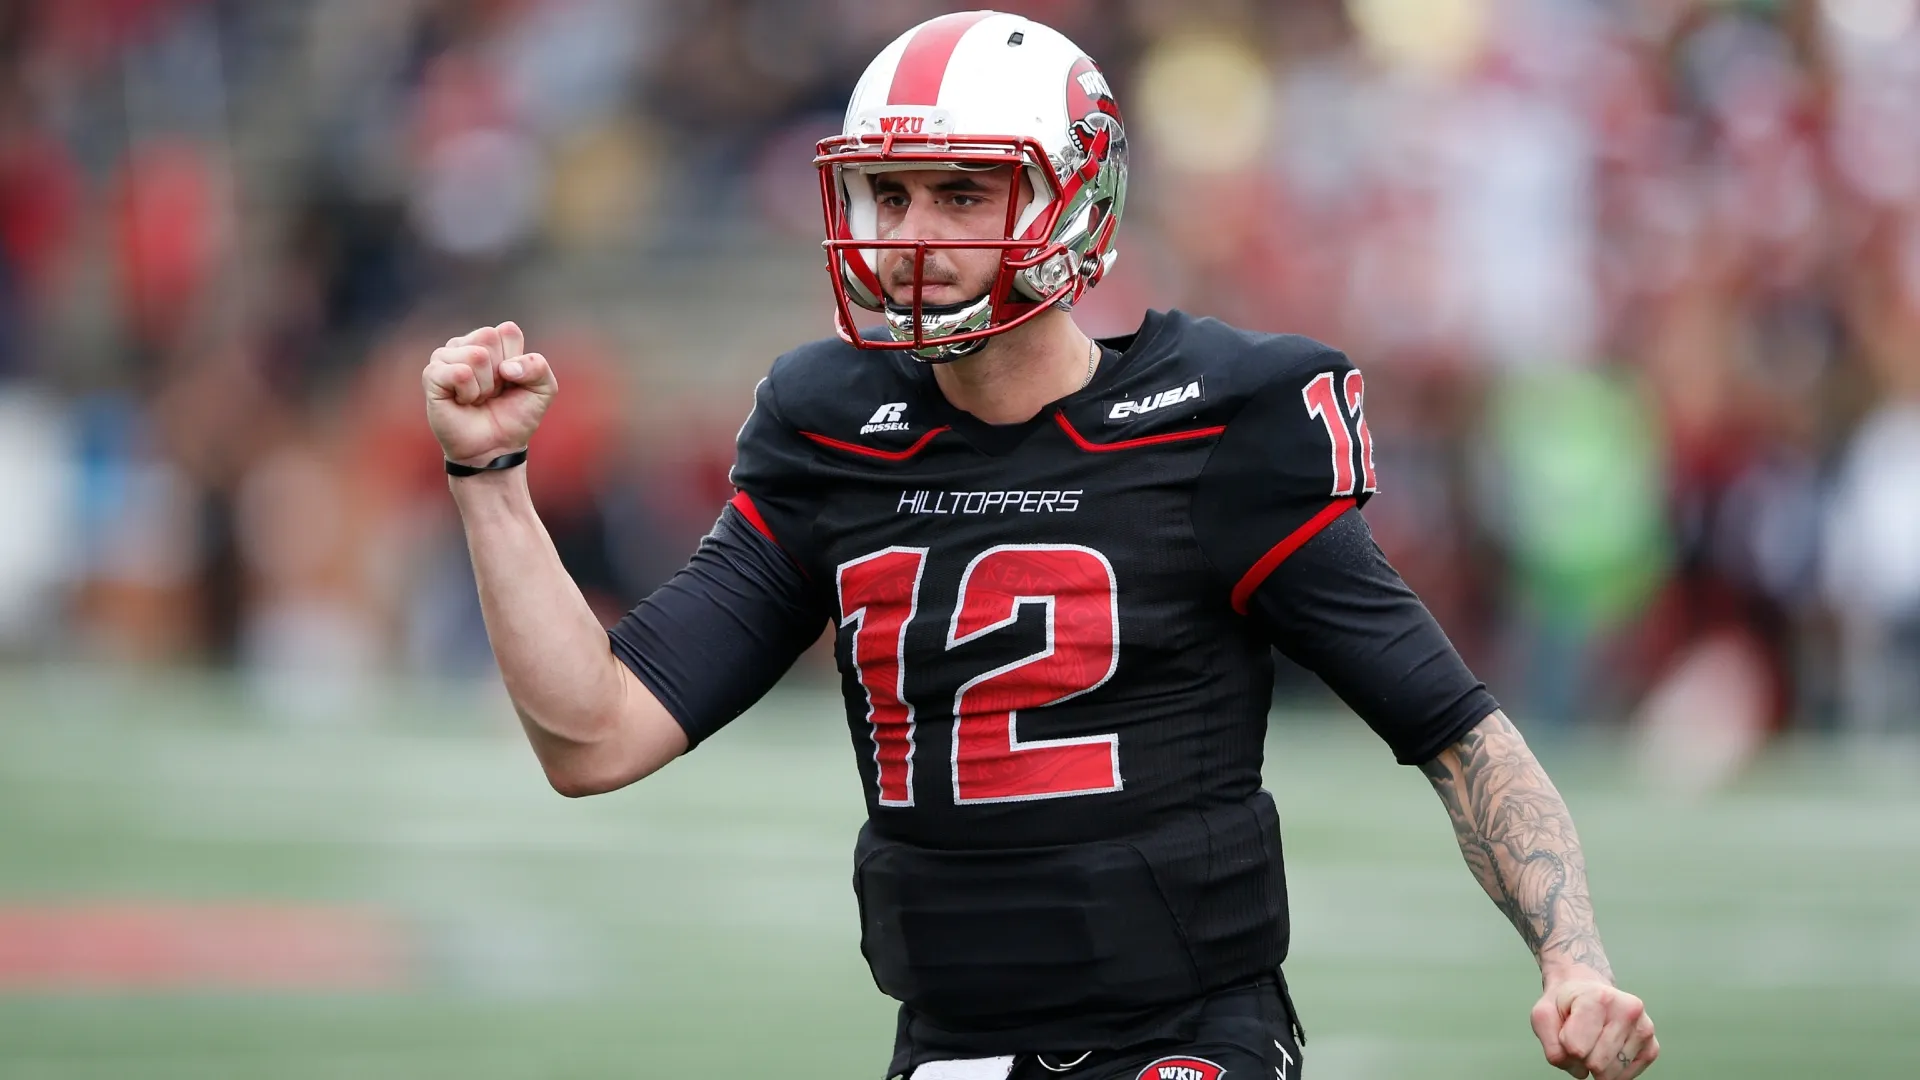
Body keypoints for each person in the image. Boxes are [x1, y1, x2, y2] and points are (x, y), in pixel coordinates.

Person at [420, 11, 1659, 1080]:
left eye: (964, 191)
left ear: (1079, 199)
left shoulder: (1214, 426)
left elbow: (1455, 730)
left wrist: (1576, 958)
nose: (913, 233)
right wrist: (489, 478)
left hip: (1187, 1031)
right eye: (890, 193)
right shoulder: (831, 429)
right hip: (948, 1034)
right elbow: (595, 737)